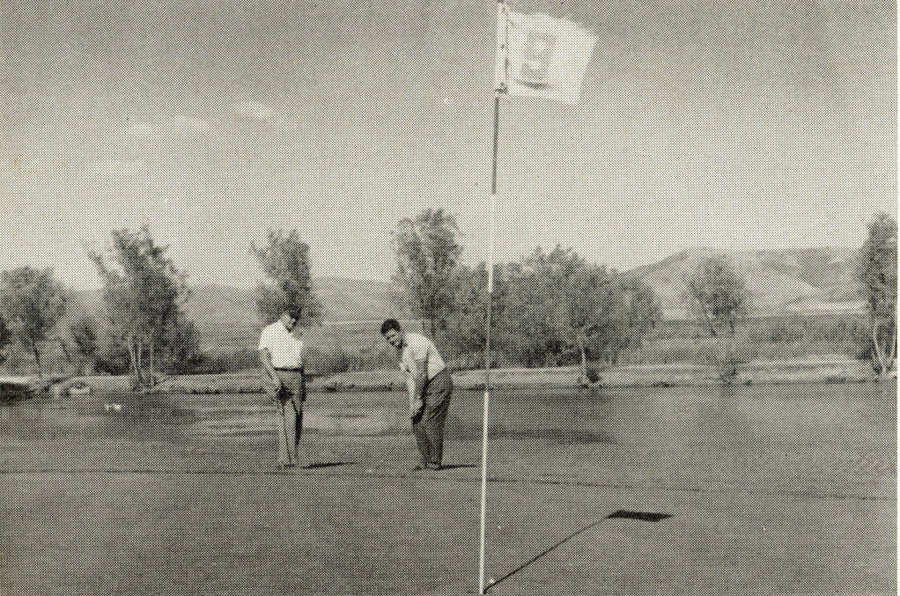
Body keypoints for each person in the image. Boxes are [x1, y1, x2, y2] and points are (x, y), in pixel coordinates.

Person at [380, 319, 452, 470]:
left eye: (393, 336)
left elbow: (422, 374)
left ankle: (435, 462)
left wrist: (418, 398)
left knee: (430, 421)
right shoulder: (398, 353)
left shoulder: (417, 341)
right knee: (417, 421)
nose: (391, 341)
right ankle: (424, 461)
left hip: (438, 381)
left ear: (400, 330)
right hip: (422, 384)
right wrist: (412, 404)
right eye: (387, 339)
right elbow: (409, 379)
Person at [259, 308, 307, 469]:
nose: (294, 321)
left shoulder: (297, 334)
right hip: (277, 375)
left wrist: (303, 383)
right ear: (283, 315)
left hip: (296, 377)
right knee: (288, 416)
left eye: (296, 318)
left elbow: (300, 362)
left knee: (298, 418)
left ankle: (290, 458)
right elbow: (263, 356)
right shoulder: (270, 330)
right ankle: (287, 461)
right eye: (291, 317)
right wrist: (274, 378)